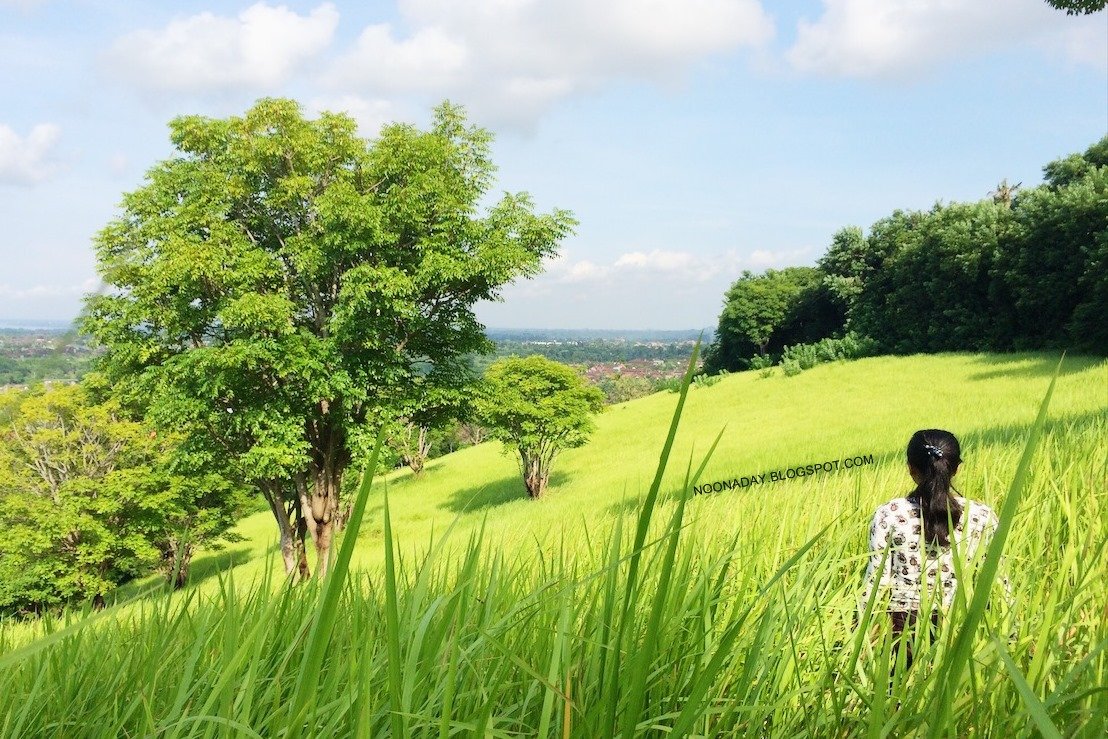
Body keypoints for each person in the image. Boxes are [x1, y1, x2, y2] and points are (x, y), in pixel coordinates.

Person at [858, 429, 1006, 671]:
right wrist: (1012, 630)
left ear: (910, 468)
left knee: (899, 697)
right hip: (960, 625)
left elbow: (876, 581)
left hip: (902, 629)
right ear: (956, 468)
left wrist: (859, 630)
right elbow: (997, 580)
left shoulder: (889, 514)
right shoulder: (982, 516)